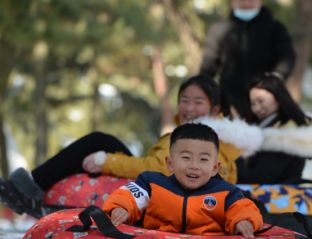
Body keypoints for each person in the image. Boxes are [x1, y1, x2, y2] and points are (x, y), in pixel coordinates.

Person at [0, 74, 262, 218]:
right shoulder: (191, 132)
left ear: (215, 109)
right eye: (184, 100)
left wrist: (107, 161)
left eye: (198, 102)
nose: (189, 108)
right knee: (102, 141)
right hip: (162, 185)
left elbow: (159, 169)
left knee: (98, 143)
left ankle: (30, 191)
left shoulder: (209, 139)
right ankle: (33, 193)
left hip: (171, 193)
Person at [104, 123, 263, 238]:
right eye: (186, 158)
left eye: (203, 160)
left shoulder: (226, 192)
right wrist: (121, 207)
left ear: (215, 168)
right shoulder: (152, 183)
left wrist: (244, 221)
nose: (194, 166)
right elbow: (130, 195)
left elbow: (242, 208)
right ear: (170, 163)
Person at [200, 0, 296, 121]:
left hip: (267, 103)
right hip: (230, 105)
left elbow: (287, 57)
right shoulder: (218, 30)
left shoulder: (276, 28)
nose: (246, 3)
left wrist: (273, 83)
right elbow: (208, 66)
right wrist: (202, 92)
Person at [236, 73, 312, 184]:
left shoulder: (284, 134)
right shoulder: (272, 126)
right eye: (252, 104)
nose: (256, 108)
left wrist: (234, 159)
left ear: (277, 96)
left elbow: (260, 178)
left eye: (261, 101)